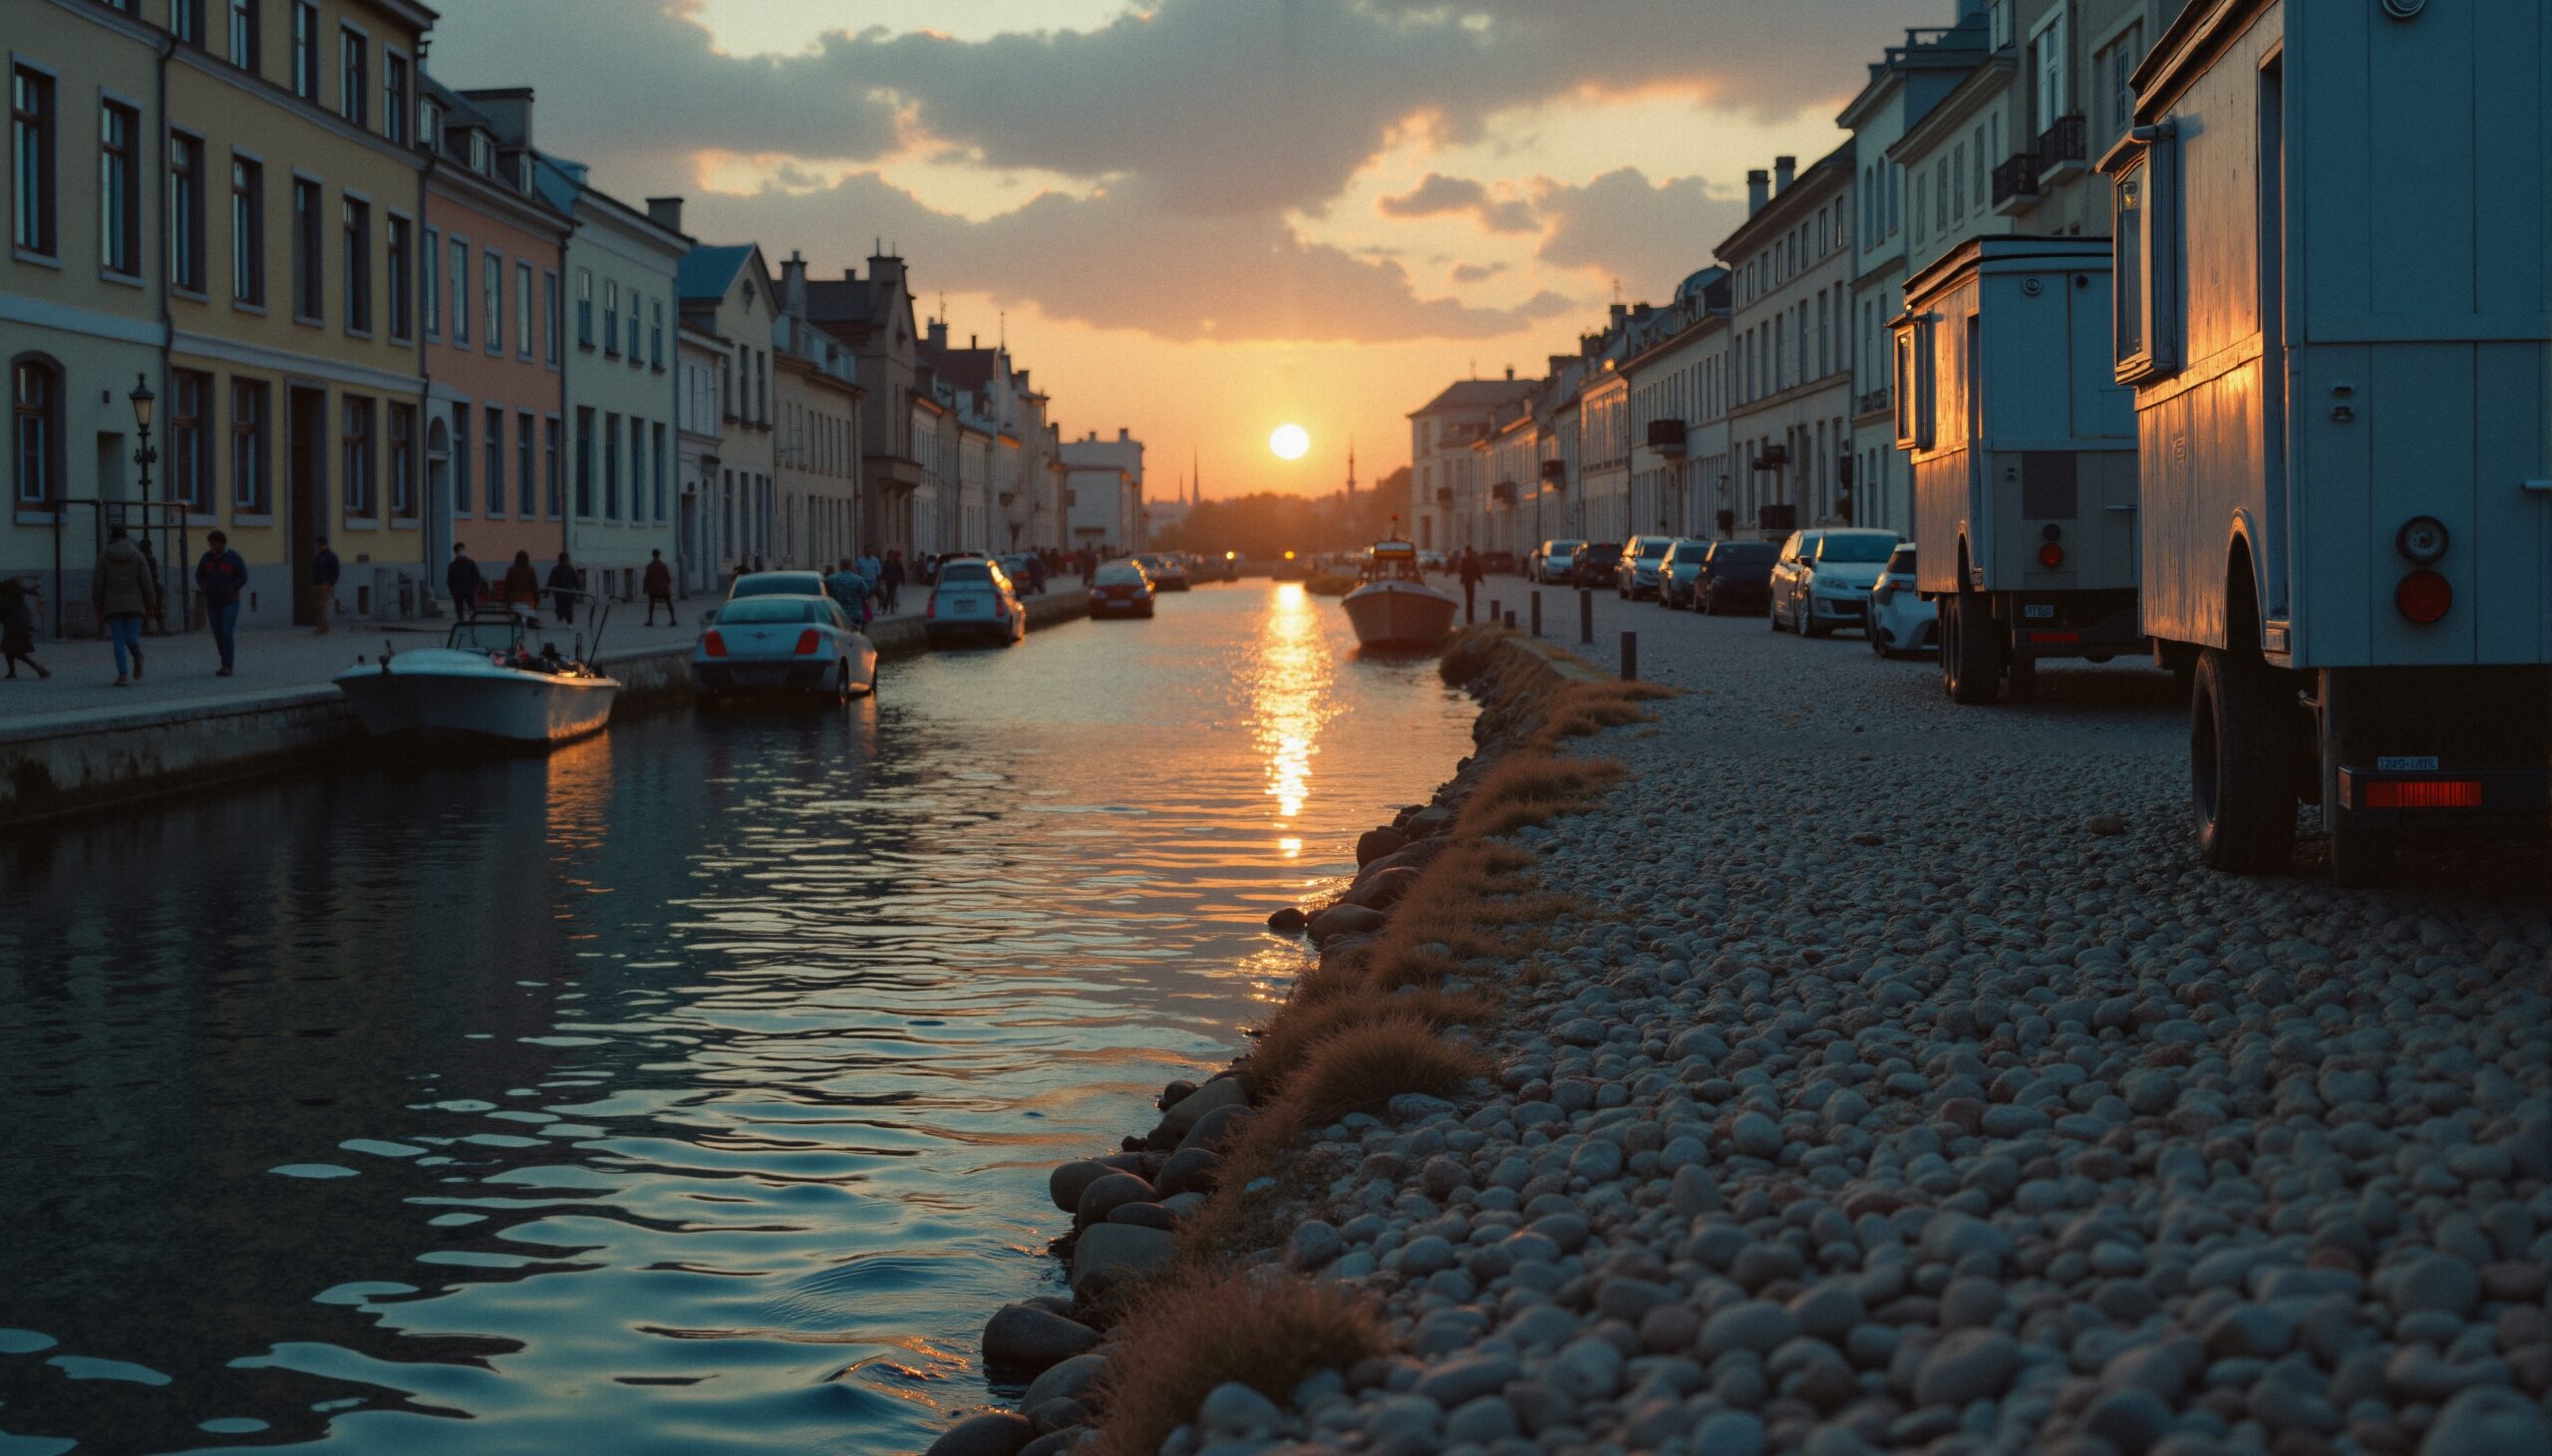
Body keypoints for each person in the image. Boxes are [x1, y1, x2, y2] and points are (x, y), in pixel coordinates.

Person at [92, 525, 161, 687]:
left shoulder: (103, 556)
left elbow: (98, 583)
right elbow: (146, 582)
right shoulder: (137, 555)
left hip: (112, 604)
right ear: (126, 536)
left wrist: (98, 606)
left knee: (117, 640)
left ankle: (122, 674)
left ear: (112, 537)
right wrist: (151, 605)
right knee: (131, 637)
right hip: (134, 603)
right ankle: (137, 655)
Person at [193, 530, 249, 677]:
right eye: (210, 543)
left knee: (226, 631)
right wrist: (203, 586)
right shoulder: (207, 558)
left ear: (222, 543)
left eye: (214, 543)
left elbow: (243, 576)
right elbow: (199, 574)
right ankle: (224, 661)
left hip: (230, 600)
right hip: (212, 600)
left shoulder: (233, 558)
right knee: (218, 633)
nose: (211, 546)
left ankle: (227, 665)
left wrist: (233, 587)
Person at [1, 576, 47, 680]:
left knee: (14, 651)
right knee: (9, 650)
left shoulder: (7, 598)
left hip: (13, 628)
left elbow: (2, 612)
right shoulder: (16, 597)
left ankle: (37, 667)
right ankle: (12, 672)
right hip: (19, 627)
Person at [823, 557, 871, 625]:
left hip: (838, 613)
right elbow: (866, 593)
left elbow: (824, 592)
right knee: (857, 633)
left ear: (840, 566)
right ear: (851, 566)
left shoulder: (831, 579)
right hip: (855, 614)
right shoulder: (859, 580)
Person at [310, 534, 341, 635]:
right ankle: (322, 626)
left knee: (322, 607)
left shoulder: (331, 557)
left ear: (322, 545)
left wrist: (330, 583)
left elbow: (336, 571)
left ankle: (322, 628)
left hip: (325, 584)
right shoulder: (319, 557)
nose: (317, 547)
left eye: (318, 545)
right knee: (318, 607)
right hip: (317, 583)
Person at [448, 543, 485, 617]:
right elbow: (450, 579)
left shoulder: (470, 563)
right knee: (459, 609)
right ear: (455, 552)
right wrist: (452, 590)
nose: (461, 551)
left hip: (469, 590)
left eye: (462, 549)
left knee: (472, 607)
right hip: (458, 591)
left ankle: (472, 622)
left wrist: (477, 587)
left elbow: (477, 575)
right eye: (459, 550)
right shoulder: (452, 565)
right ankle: (461, 622)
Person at [547, 551, 583, 625]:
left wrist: (580, 591)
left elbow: (576, 581)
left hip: (565, 593)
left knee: (568, 608)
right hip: (562, 593)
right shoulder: (557, 570)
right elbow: (551, 581)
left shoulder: (569, 569)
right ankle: (562, 616)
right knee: (561, 608)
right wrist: (547, 592)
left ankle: (569, 622)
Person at [503, 550, 541, 619]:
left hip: (514, 598)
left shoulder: (511, 570)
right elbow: (534, 586)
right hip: (528, 598)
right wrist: (537, 599)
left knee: (515, 619)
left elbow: (507, 587)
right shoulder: (530, 570)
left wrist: (506, 600)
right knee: (527, 616)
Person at [642, 549, 676, 626]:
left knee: (651, 604)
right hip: (664, 588)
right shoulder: (663, 565)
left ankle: (650, 620)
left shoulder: (650, 566)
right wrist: (667, 585)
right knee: (669, 603)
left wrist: (645, 588)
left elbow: (646, 578)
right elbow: (668, 577)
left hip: (653, 589)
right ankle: (673, 619)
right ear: (659, 555)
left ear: (653, 555)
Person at [1457, 546, 1485, 623]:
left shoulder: (1471, 560)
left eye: (1468, 552)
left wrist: (1481, 580)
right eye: (1467, 552)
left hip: (1470, 581)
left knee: (1470, 599)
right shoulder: (1467, 560)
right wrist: (1461, 581)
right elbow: (1462, 571)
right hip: (1468, 581)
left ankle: (1470, 617)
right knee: (1469, 599)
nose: (1468, 553)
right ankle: (1469, 617)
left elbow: (1477, 571)